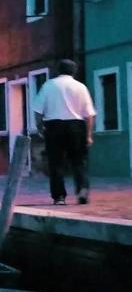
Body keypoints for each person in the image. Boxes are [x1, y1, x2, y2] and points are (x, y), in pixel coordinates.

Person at [32, 59, 96, 205]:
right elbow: (90, 114)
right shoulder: (81, 87)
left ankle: (59, 197)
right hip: (77, 126)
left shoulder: (48, 86)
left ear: (58, 70)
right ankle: (82, 190)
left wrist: (39, 126)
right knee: (79, 161)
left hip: (54, 126)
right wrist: (88, 135)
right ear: (74, 71)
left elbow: (38, 110)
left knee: (56, 163)